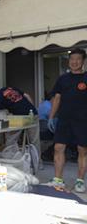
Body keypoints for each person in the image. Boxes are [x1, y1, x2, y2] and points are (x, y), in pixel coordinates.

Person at [44, 48, 87, 193]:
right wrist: (51, 117)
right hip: (64, 120)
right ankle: (58, 179)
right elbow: (57, 98)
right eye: (72, 58)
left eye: (78, 59)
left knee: (82, 150)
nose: (74, 62)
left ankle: (80, 180)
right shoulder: (62, 79)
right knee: (58, 148)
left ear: (84, 61)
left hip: (83, 120)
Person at [0, 82, 43, 170]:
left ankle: (12, 162)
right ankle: (38, 164)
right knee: (34, 140)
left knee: (11, 139)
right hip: (32, 114)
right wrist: (33, 110)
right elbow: (27, 95)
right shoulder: (10, 88)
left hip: (20, 117)